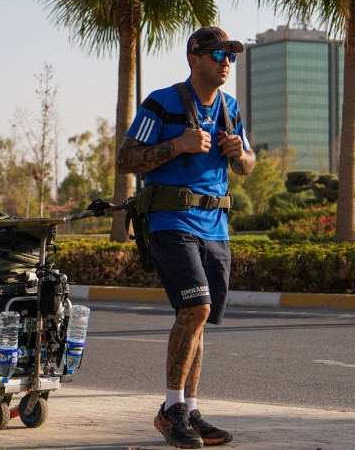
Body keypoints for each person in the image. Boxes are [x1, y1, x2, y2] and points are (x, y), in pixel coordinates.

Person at [117, 26, 256, 449]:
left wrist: (241, 155)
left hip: (216, 227)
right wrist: (177, 144)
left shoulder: (230, 109)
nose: (226, 63)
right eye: (218, 55)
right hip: (171, 222)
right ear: (194, 58)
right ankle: (170, 411)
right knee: (196, 308)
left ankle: (191, 412)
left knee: (200, 320)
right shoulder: (161, 102)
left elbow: (249, 164)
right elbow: (125, 158)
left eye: (231, 56)